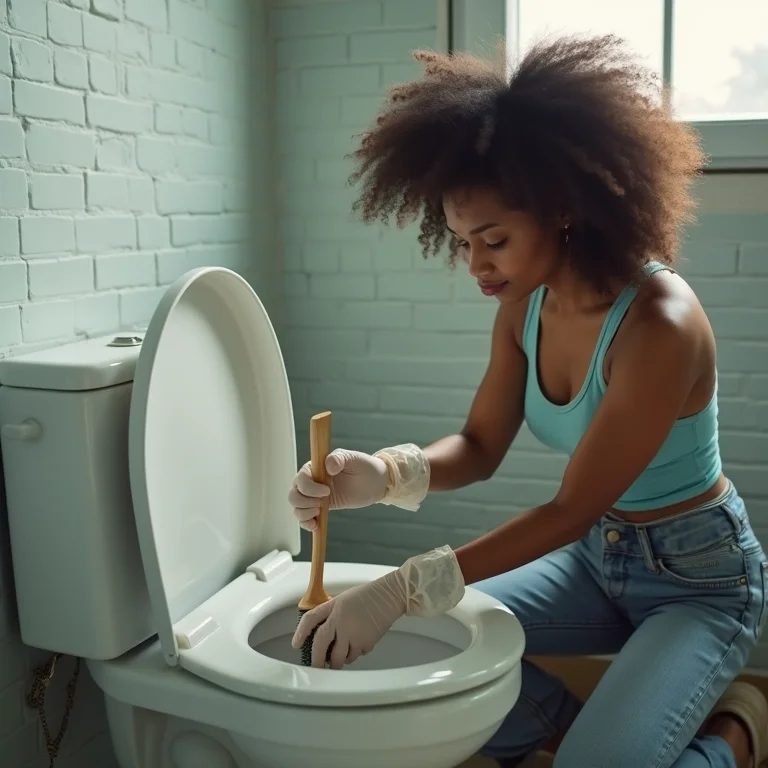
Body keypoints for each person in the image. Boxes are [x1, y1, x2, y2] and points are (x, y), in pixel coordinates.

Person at [288, 34, 768, 768]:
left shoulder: (659, 326)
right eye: (460, 242)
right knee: (425, 663)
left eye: (495, 240)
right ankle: (580, 730)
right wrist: (383, 474)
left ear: (564, 209)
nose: (476, 265)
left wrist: (399, 588)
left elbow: (567, 507)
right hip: (595, 559)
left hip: (698, 580)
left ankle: (734, 736)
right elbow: (480, 445)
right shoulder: (523, 305)